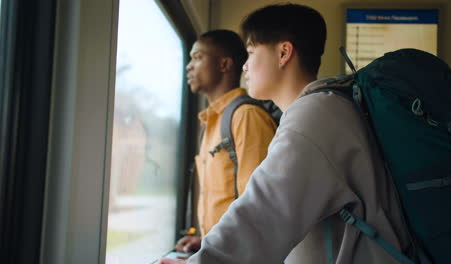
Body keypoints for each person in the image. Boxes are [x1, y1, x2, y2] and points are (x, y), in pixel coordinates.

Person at [159, 4, 410, 264]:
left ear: (283, 53)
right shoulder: (322, 109)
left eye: (251, 52)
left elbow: (261, 215)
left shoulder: (314, 118)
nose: (244, 66)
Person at [173, 30, 278, 254]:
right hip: (219, 250)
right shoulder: (210, 123)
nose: (189, 66)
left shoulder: (246, 116)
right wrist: (206, 240)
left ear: (224, 64)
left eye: (198, 57)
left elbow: (256, 206)